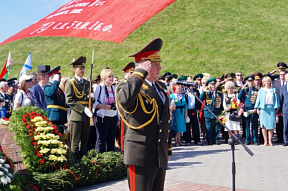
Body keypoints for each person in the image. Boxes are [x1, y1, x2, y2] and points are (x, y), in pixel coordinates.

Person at [116, 38, 172, 191]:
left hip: (157, 153)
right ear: (144, 66)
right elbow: (125, 99)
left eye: (159, 63)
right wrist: (138, 73)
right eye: (154, 64)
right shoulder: (129, 85)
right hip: (140, 154)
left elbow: (165, 121)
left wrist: (167, 149)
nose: (160, 67)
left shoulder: (160, 87)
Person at [65, 56, 93, 163]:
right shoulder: (70, 83)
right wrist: (83, 109)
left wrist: (92, 100)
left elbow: (88, 98)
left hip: (86, 115)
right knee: (75, 141)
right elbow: (69, 100)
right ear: (74, 69)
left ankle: (83, 161)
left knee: (85, 141)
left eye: (83, 68)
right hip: (77, 115)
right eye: (79, 68)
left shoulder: (86, 83)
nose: (82, 70)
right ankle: (75, 163)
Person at [93, 68, 120, 153]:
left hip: (113, 116)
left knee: (111, 140)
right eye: (109, 77)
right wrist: (103, 106)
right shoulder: (99, 88)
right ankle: (99, 159)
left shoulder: (114, 88)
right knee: (101, 140)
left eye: (112, 76)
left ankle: (110, 159)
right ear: (104, 78)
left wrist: (118, 118)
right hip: (102, 117)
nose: (111, 78)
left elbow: (117, 104)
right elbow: (94, 103)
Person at [255, 76, 280, 146]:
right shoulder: (261, 90)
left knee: (271, 125)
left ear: (270, 82)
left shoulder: (273, 90)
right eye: (266, 81)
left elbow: (276, 99)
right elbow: (258, 100)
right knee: (263, 126)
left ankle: (270, 141)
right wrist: (257, 108)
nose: (267, 82)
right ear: (263, 82)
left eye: (268, 81)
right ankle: (265, 141)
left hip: (271, 108)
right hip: (263, 109)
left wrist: (277, 108)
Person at [199, 78, 223, 145]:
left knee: (217, 127)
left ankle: (216, 139)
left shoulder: (219, 93)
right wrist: (204, 91)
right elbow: (200, 99)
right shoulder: (206, 93)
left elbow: (221, 103)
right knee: (208, 127)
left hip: (217, 112)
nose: (213, 87)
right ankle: (209, 140)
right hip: (208, 112)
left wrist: (222, 112)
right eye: (211, 85)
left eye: (214, 85)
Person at [44, 66, 68, 134]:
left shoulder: (58, 88)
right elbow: (51, 92)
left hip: (61, 116)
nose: (60, 78)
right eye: (58, 77)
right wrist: (55, 82)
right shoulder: (47, 86)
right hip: (53, 116)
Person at [238, 76, 259, 145]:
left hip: (254, 109)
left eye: (251, 81)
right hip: (246, 109)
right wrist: (242, 88)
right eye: (248, 81)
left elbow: (258, 100)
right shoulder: (244, 90)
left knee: (254, 125)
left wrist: (256, 108)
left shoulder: (256, 90)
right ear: (246, 82)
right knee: (246, 124)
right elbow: (239, 97)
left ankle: (255, 139)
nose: (250, 83)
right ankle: (247, 139)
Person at [272, 70, 286, 143]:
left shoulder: (287, 83)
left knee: (286, 123)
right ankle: (279, 138)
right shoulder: (275, 83)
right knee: (279, 122)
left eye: (283, 74)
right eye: (281, 74)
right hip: (278, 105)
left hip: (286, 105)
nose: (282, 76)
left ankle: (285, 138)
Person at [280, 73, 288, 146]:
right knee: (285, 125)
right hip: (285, 108)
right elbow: (281, 99)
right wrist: (281, 110)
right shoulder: (283, 87)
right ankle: (286, 140)